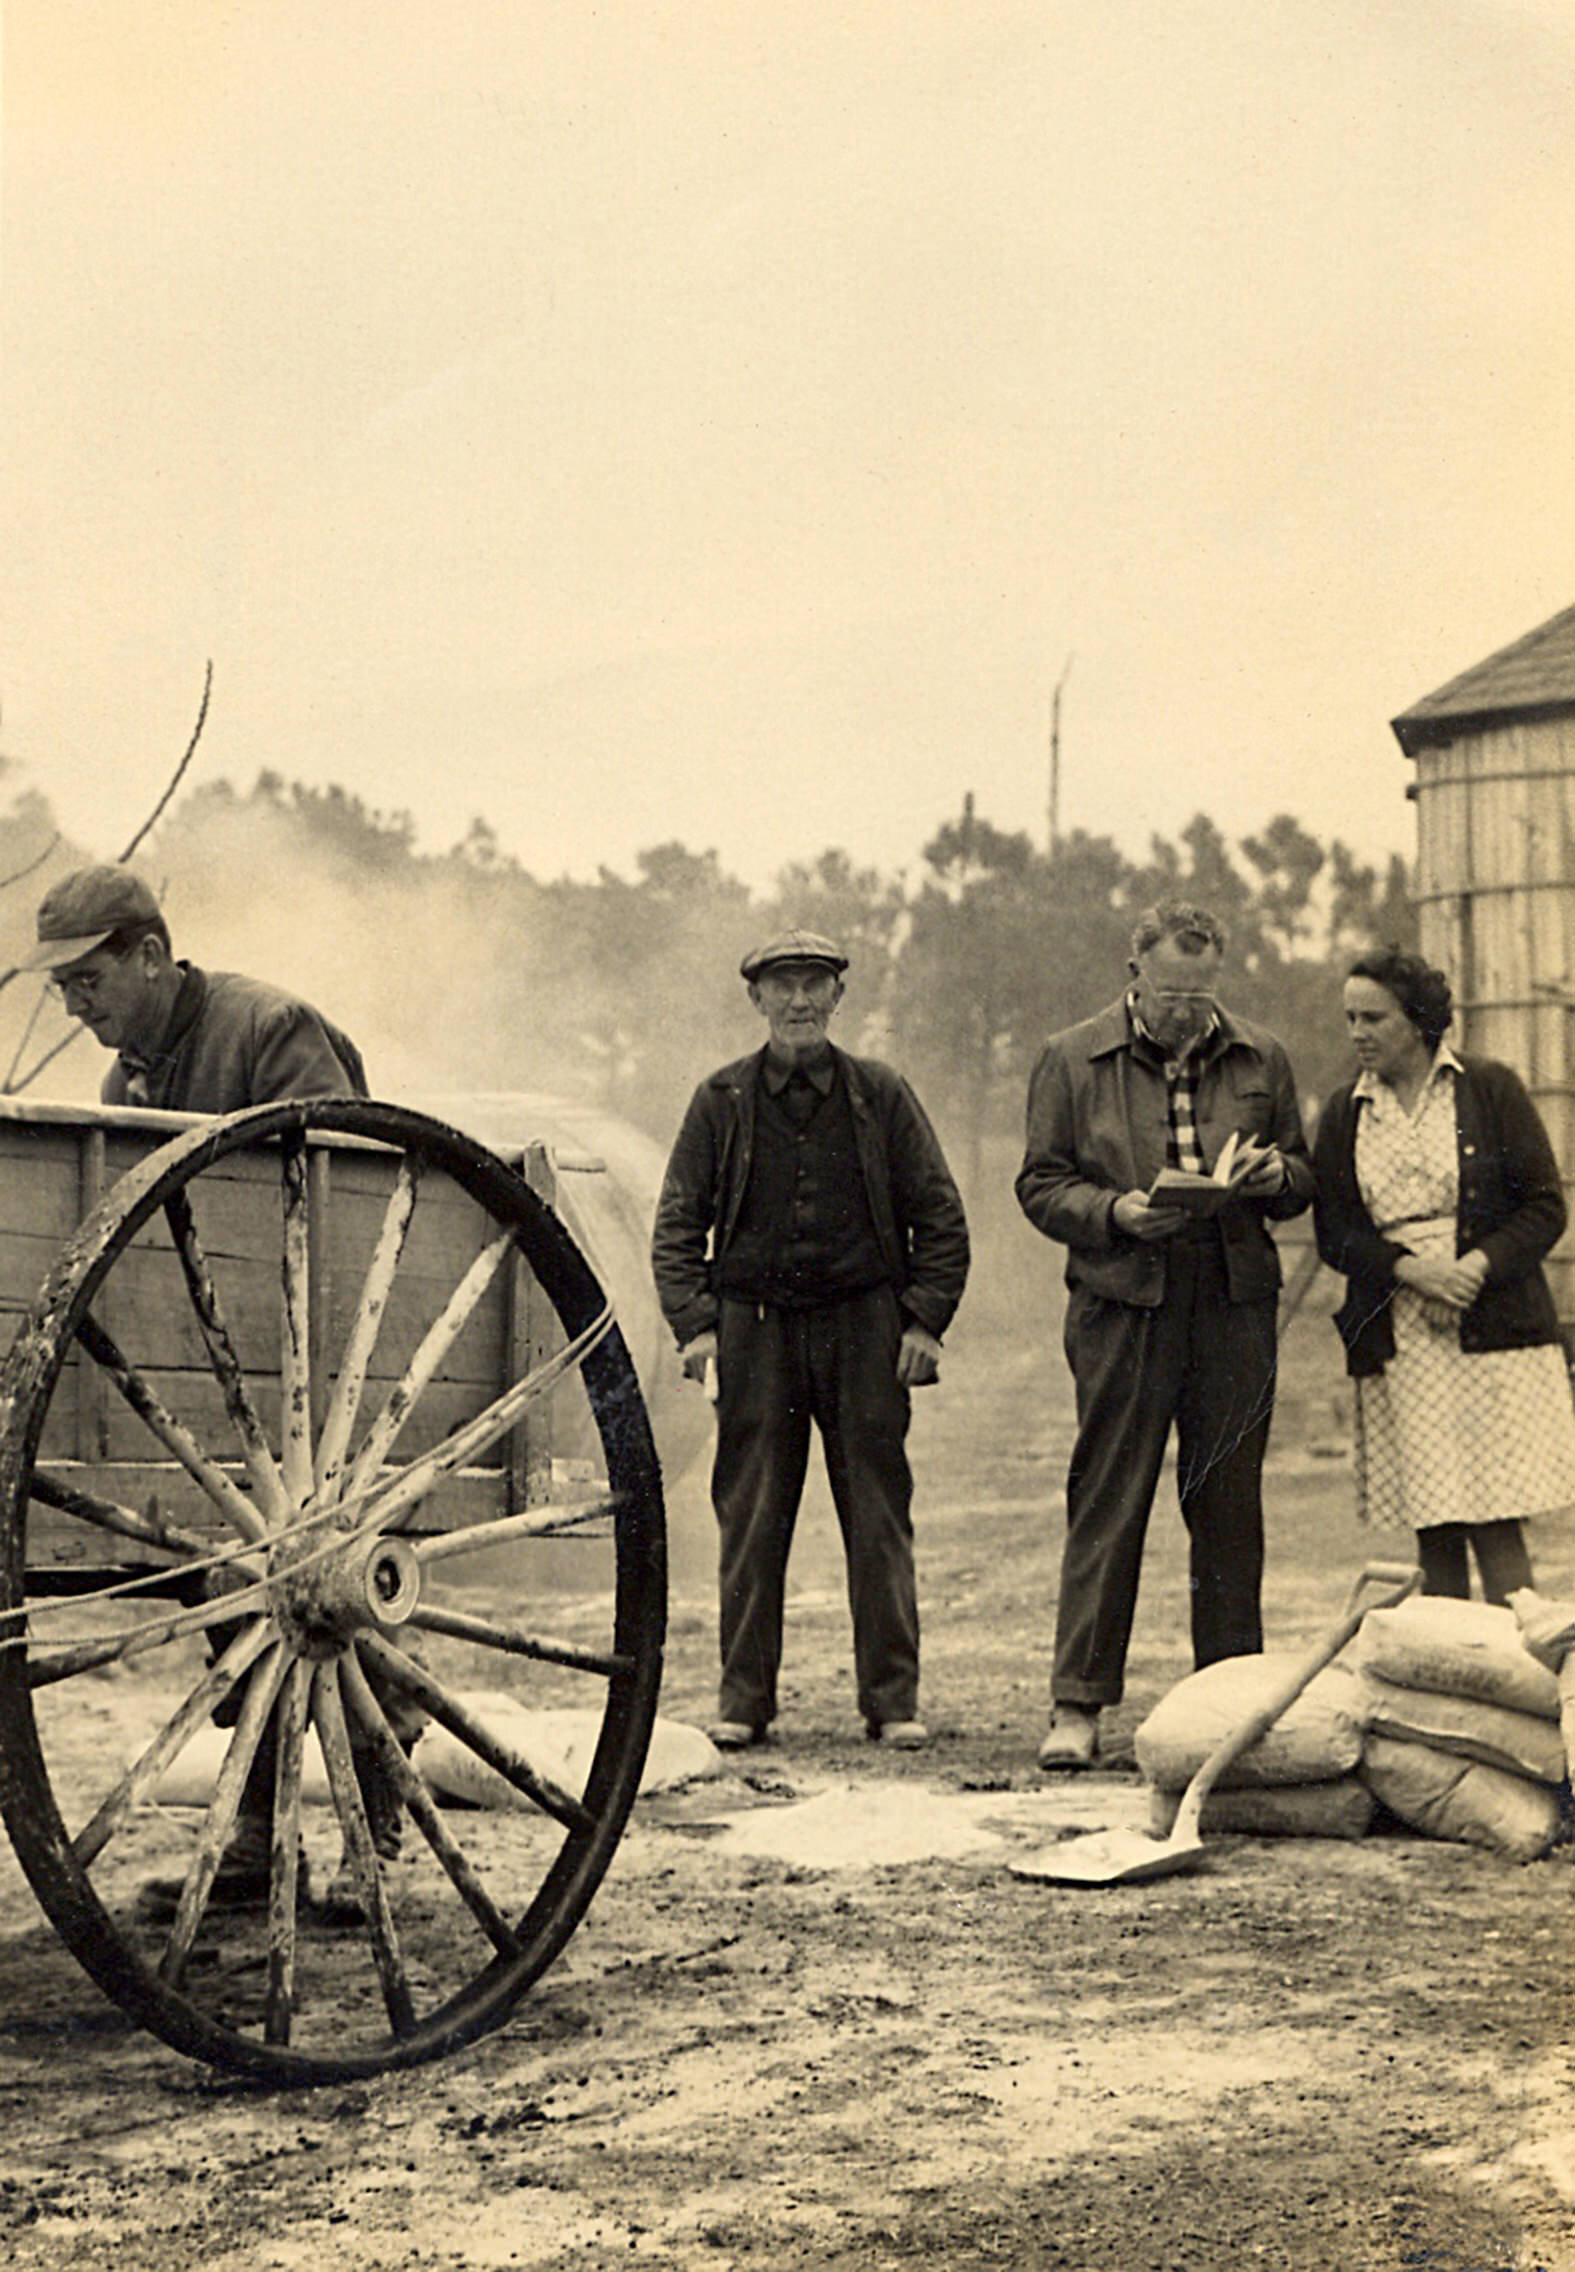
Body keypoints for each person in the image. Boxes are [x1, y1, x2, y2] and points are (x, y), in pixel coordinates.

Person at [24, 863, 406, 1916]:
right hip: (213, 1387)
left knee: (320, 1596)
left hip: (318, 1380)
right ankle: (254, 1835)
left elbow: (348, 1198)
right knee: (224, 1596)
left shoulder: (268, 1029)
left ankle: (373, 1833)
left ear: (150, 954)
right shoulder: (124, 1088)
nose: (71, 1001)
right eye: (60, 985)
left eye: (86, 977)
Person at [651, 928, 969, 1751]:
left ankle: (891, 1702)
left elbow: (938, 1216)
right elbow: (677, 1225)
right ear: (754, 998)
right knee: (750, 1518)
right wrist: (694, 1327)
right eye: (782, 986)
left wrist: (924, 1321)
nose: (798, 1001)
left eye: (813, 985)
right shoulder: (718, 1100)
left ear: (837, 997)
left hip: (865, 1329)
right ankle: (744, 1702)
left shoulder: (880, 1095)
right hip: (752, 1332)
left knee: (877, 1514)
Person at [1015, 898, 1314, 1769]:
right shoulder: (1070, 1058)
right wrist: (1112, 1211)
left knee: (1227, 1505)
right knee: (1108, 1499)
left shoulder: (1261, 1056)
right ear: (1134, 971)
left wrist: (1270, 1175)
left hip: (1231, 1301)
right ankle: (1077, 1707)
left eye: (1201, 992)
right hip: (1122, 1300)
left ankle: (1227, 1702)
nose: (1187, 1011)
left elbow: (1301, 1178)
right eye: (1171, 992)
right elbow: (1039, 1184)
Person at [1313, 948, 1575, 1602]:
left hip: (1491, 1326)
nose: (1357, 1033)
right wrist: (1410, 1272)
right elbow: (1335, 1232)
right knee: (1433, 1523)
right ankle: (1450, 1678)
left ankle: (1523, 1673)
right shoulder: (1347, 1111)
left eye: (1373, 1017)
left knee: (1494, 1516)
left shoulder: (1488, 1088)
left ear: (1419, 1018)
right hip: (1403, 1338)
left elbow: (1543, 1206)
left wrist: (1471, 1270)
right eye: (1349, 1018)